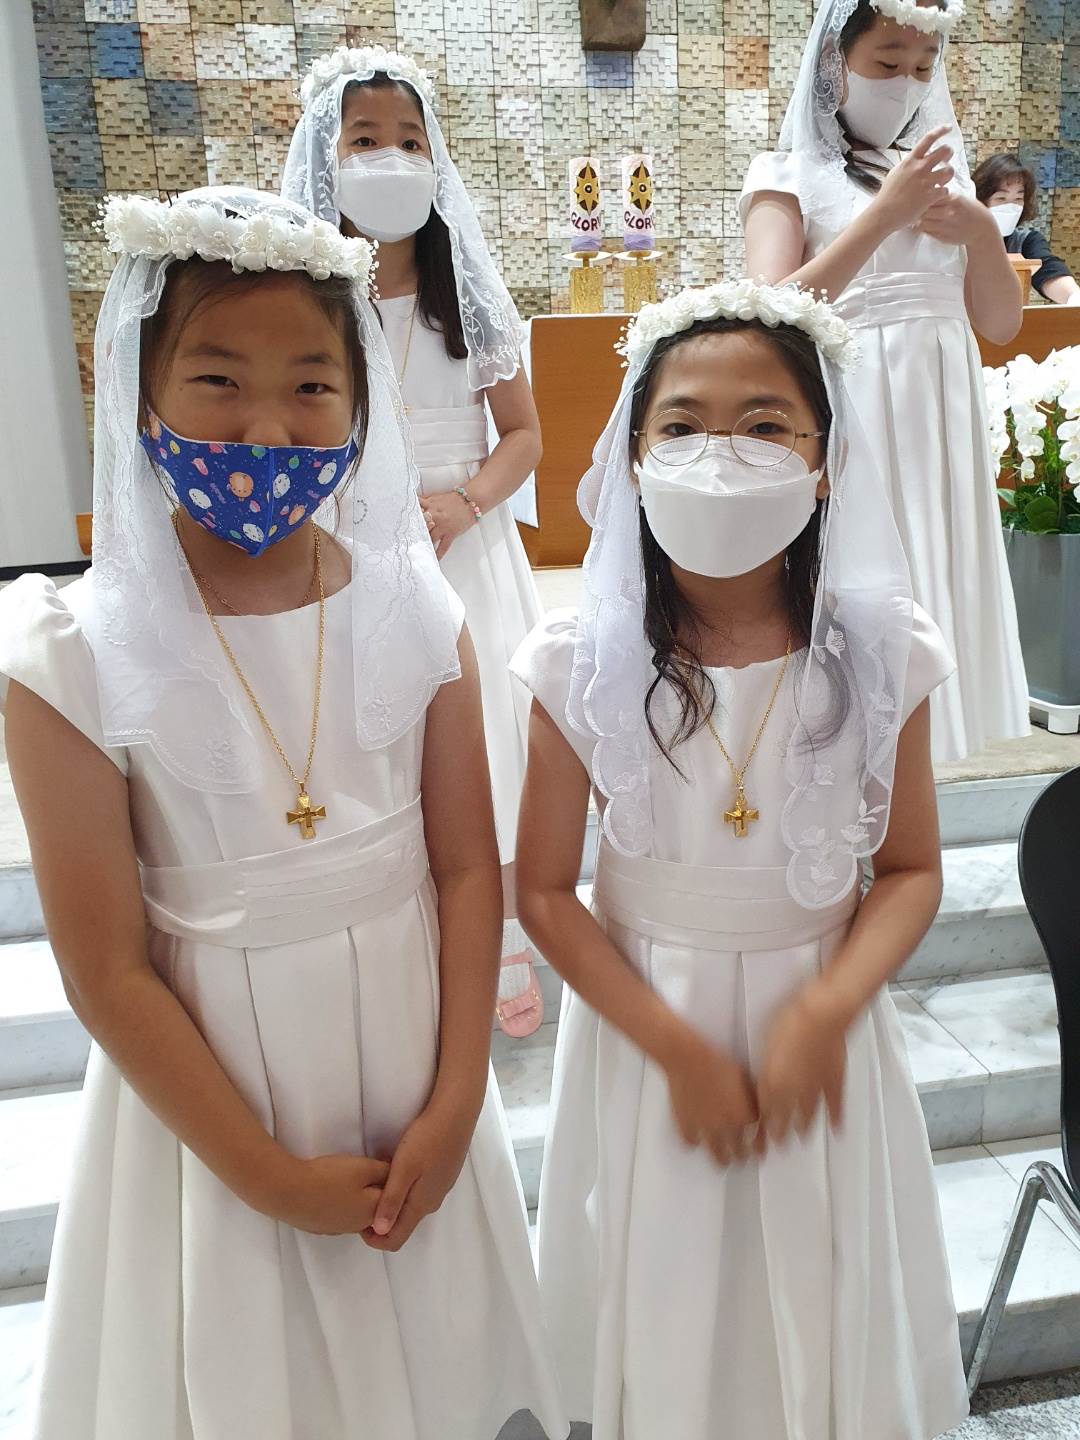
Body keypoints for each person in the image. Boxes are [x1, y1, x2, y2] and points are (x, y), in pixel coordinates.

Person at [0, 187, 567, 1440]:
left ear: (362, 403)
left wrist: (458, 1095)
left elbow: (467, 869)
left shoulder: (416, 613)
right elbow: (105, 968)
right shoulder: (70, 656)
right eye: (216, 381)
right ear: (135, 389)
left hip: (411, 1080)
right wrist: (259, 1172)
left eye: (312, 386)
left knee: (435, 1370)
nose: (266, 428)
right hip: (218, 1114)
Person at [513, 279, 969, 1440]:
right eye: (682, 425)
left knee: (819, 1287)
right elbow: (543, 891)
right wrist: (674, 1048)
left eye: (766, 425)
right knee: (665, 1297)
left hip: (820, 1020)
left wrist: (823, 1011)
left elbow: (911, 869)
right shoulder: (579, 659)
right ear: (632, 458)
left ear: (825, 464)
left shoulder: (880, 653)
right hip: (647, 1031)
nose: (720, 456)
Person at [283, 46, 546, 1037]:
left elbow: (523, 436)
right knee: (371, 741)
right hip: (345, 550)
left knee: (487, 747)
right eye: (365, 140)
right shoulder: (301, 298)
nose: (389, 158)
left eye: (409, 140)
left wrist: (465, 503)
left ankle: (505, 937)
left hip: (461, 548)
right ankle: (400, 930)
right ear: (326, 157)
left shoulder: (465, 298)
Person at [741, 0, 1029, 762]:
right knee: (864, 589)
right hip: (856, 410)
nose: (906, 83)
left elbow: (1000, 324)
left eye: (924, 68)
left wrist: (980, 234)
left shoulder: (945, 175)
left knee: (939, 586)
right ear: (834, 63)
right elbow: (767, 315)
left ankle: (922, 774)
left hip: (942, 413)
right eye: (887, 62)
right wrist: (883, 216)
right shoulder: (786, 174)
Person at [973, 152, 1080, 305]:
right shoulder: (958, 238)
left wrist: (1073, 297)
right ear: (980, 200)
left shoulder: (1026, 240)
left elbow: (1048, 267)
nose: (1010, 206)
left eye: (1018, 199)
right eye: (1001, 198)